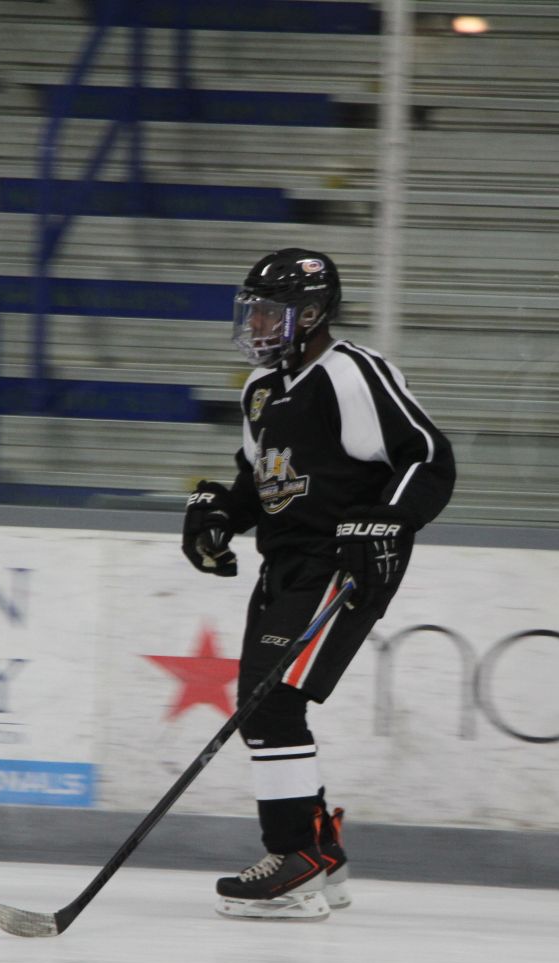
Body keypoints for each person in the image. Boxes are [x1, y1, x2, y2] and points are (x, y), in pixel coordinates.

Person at [181, 248, 456, 921]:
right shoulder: (261, 388)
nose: (256, 324)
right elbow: (261, 481)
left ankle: (293, 861)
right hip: (283, 564)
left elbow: (428, 457)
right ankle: (320, 853)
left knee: (270, 702)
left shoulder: (351, 372)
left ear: (310, 313)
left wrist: (389, 521)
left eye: (269, 312)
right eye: (252, 311)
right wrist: (221, 513)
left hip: (343, 560)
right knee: (265, 703)